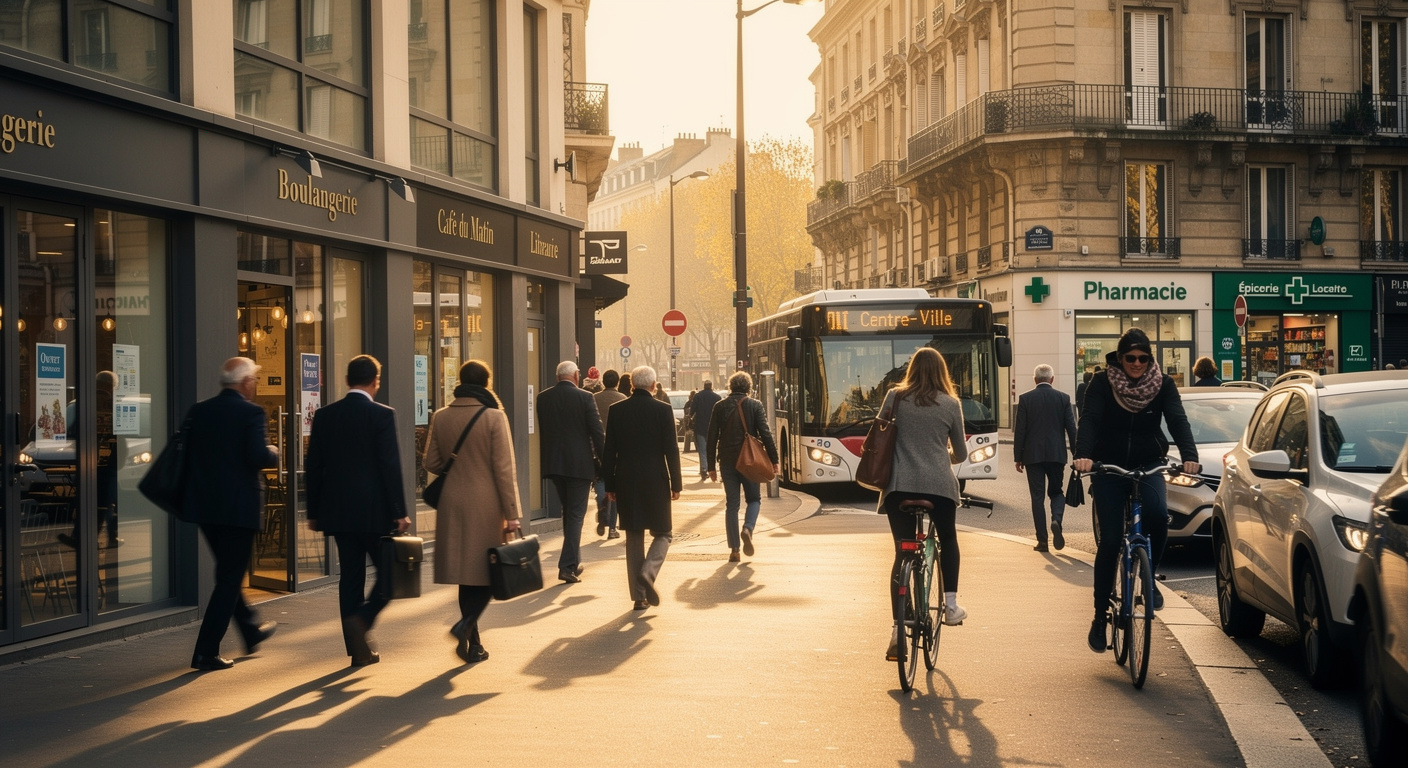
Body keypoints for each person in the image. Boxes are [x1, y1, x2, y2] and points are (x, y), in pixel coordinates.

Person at [1073, 328, 1199, 654]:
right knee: (1111, 539)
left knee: (1158, 516)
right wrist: (1083, 455)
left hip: (1148, 462)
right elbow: (1089, 420)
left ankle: (1149, 576)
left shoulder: (1163, 384)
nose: (1137, 363)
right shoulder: (1101, 383)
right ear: (1120, 357)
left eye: (1143, 358)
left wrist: (1190, 456)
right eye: (1131, 357)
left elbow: (1178, 420)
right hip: (1108, 466)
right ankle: (1099, 617)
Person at [305, 355, 410, 668]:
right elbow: (389, 466)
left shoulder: (325, 415)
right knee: (391, 574)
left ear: (347, 380)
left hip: (338, 511)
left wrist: (314, 511)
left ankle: (358, 651)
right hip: (375, 512)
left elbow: (314, 467)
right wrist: (399, 511)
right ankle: (363, 619)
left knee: (350, 578)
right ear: (375, 381)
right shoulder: (382, 415)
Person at [179, 357, 279, 671]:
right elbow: (257, 456)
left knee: (227, 574)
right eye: (255, 380)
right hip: (238, 508)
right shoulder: (251, 413)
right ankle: (205, 651)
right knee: (229, 579)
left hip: (205, 507)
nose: (256, 385)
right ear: (245, 382)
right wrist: (273, 452)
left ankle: (250, 630)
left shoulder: (199, 411)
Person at [424, 360, 522, 664]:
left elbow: (431, 462)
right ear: (486, 383)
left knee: (467, 576)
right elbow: (504, 469)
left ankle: (473, 644)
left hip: (452, 502)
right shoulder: (494, 416)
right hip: (486, 504)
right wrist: (512, 512)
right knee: (491, 572)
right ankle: (465, 625)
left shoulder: (441, 416)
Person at [875, 348, 969, 661]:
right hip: (938, 487)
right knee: (949, 538)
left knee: (901, 552)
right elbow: (961, 453)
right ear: (942, 372)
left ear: (911, 369)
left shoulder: (895, 397)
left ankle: (897, 628)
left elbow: (881, 435)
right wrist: (942, 457)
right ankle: (951, 606)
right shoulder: (951, 403)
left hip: (898, 487)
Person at [600, 366, 681, 610]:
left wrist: (609, 484)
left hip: (626, 479)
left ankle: (639, 597)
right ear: (654, 386)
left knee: (634, 537)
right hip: (656, 479)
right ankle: (649, 570)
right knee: (663, 532)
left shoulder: (617, 410)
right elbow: (671, 450)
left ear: (633, 385)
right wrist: (676, 483)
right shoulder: (663, 410)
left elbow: (609, 451)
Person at [536, 360, 604, 583]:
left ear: (558, 377)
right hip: (579, 466)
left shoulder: (543, 398)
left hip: (554, 465)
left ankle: (573, 562)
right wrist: (606, 462)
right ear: (576, 376)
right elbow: (597, 432)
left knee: (569, 512)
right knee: (575, 515)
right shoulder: (585, 397)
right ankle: (566, 566)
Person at [706, 371, 779, 563]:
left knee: (732, 504)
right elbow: (765, 433)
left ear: (730, 387)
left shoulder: (719, 406)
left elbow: (712, 437)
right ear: (748, 387)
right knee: (754, 499)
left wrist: (711, 466)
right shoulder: (755, 405)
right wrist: (774, 460)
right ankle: (748, 528)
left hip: (727, 460)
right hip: (750, 461)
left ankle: (734, 550)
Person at [1013, 364, 1077, 552]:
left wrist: (1018, 457)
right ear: (1052, 379)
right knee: (1056, 492)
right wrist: (1077, 454)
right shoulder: (1063, 398)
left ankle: (1042, 541)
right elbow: (1072, 429)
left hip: (1032, 456)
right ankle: (1056, 519)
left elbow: (1020, 430)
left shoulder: (1025, 399)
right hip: (1056, 455)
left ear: (1035, 380)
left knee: (1037, 497)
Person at [592, 369, 627, 539]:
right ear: (617, 382)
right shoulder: (623, 399)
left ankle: (602, 505)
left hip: (596, 449)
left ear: (603, 382)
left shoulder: (594, 398)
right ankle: (612, 528)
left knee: (600, 480)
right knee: (616, 488)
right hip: (617, 450)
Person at [689, 380, 722, 481]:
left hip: (700, 427)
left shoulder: (698, 396)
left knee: (702, 450)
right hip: (713, 428)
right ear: (711, 386)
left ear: (704, 386)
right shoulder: (717, 397)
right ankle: (713, 469)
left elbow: (692, 411)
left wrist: (690, 419)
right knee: (713, 449)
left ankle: (704, 470)